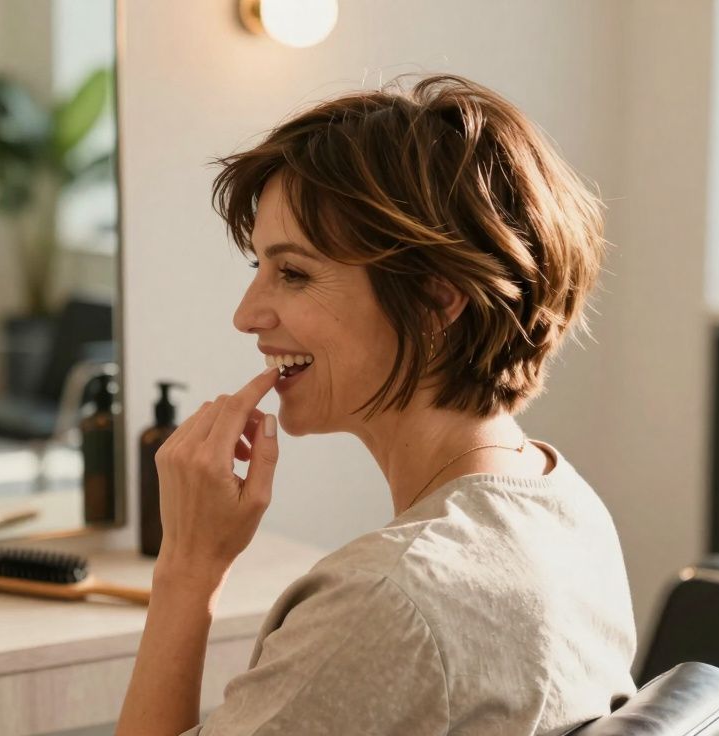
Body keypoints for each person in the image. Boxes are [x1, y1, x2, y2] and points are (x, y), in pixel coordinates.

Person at [116, 75, 636, 735]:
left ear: (435, 301)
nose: (247, 316)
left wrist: (188, 567)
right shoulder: (568, 509)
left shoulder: (386, 600)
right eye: (259, 268)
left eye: (294, 272)